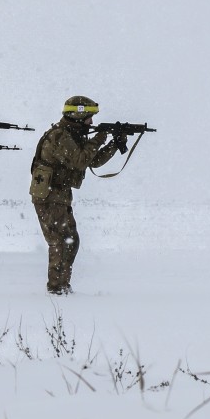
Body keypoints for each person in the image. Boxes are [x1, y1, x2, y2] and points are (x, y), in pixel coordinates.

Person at [29, 96, 122, 295]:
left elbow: (92, 161)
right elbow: (80, 161)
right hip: (49, 195)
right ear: (78, 115)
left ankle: (62, 284)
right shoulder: (60, 136)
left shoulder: (73, 135)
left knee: (70, 240)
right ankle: (56, 288)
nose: (92, 123)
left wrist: (115, 144)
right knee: (60, 241)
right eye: (89, 118)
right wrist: (100, 137)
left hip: (59, 195)